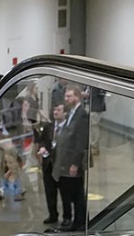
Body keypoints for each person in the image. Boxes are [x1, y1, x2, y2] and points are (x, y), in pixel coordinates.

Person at [53, 85, 89, 231]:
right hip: (66, 160)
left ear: (77, 97)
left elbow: (80, 140)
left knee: (77, 192)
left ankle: (80, 221)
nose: (66, 99)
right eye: (66, 96)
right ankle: (78, 219)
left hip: (74, 162)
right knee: (72, 191)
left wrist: (75, 163)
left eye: (69, 96)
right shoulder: (72, 113)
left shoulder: (82, 114)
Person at [35, 103, 67, 225]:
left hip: (61, 165)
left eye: (58, 110)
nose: (55, 112)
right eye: (54, 110)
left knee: (65, 192)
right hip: (48, 164)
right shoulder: (48, 127)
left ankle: (66, 216)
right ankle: (52, 214)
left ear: (65, 113)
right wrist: (42, 148)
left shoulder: (68, 128)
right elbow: (42, 140)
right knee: (50, 191)